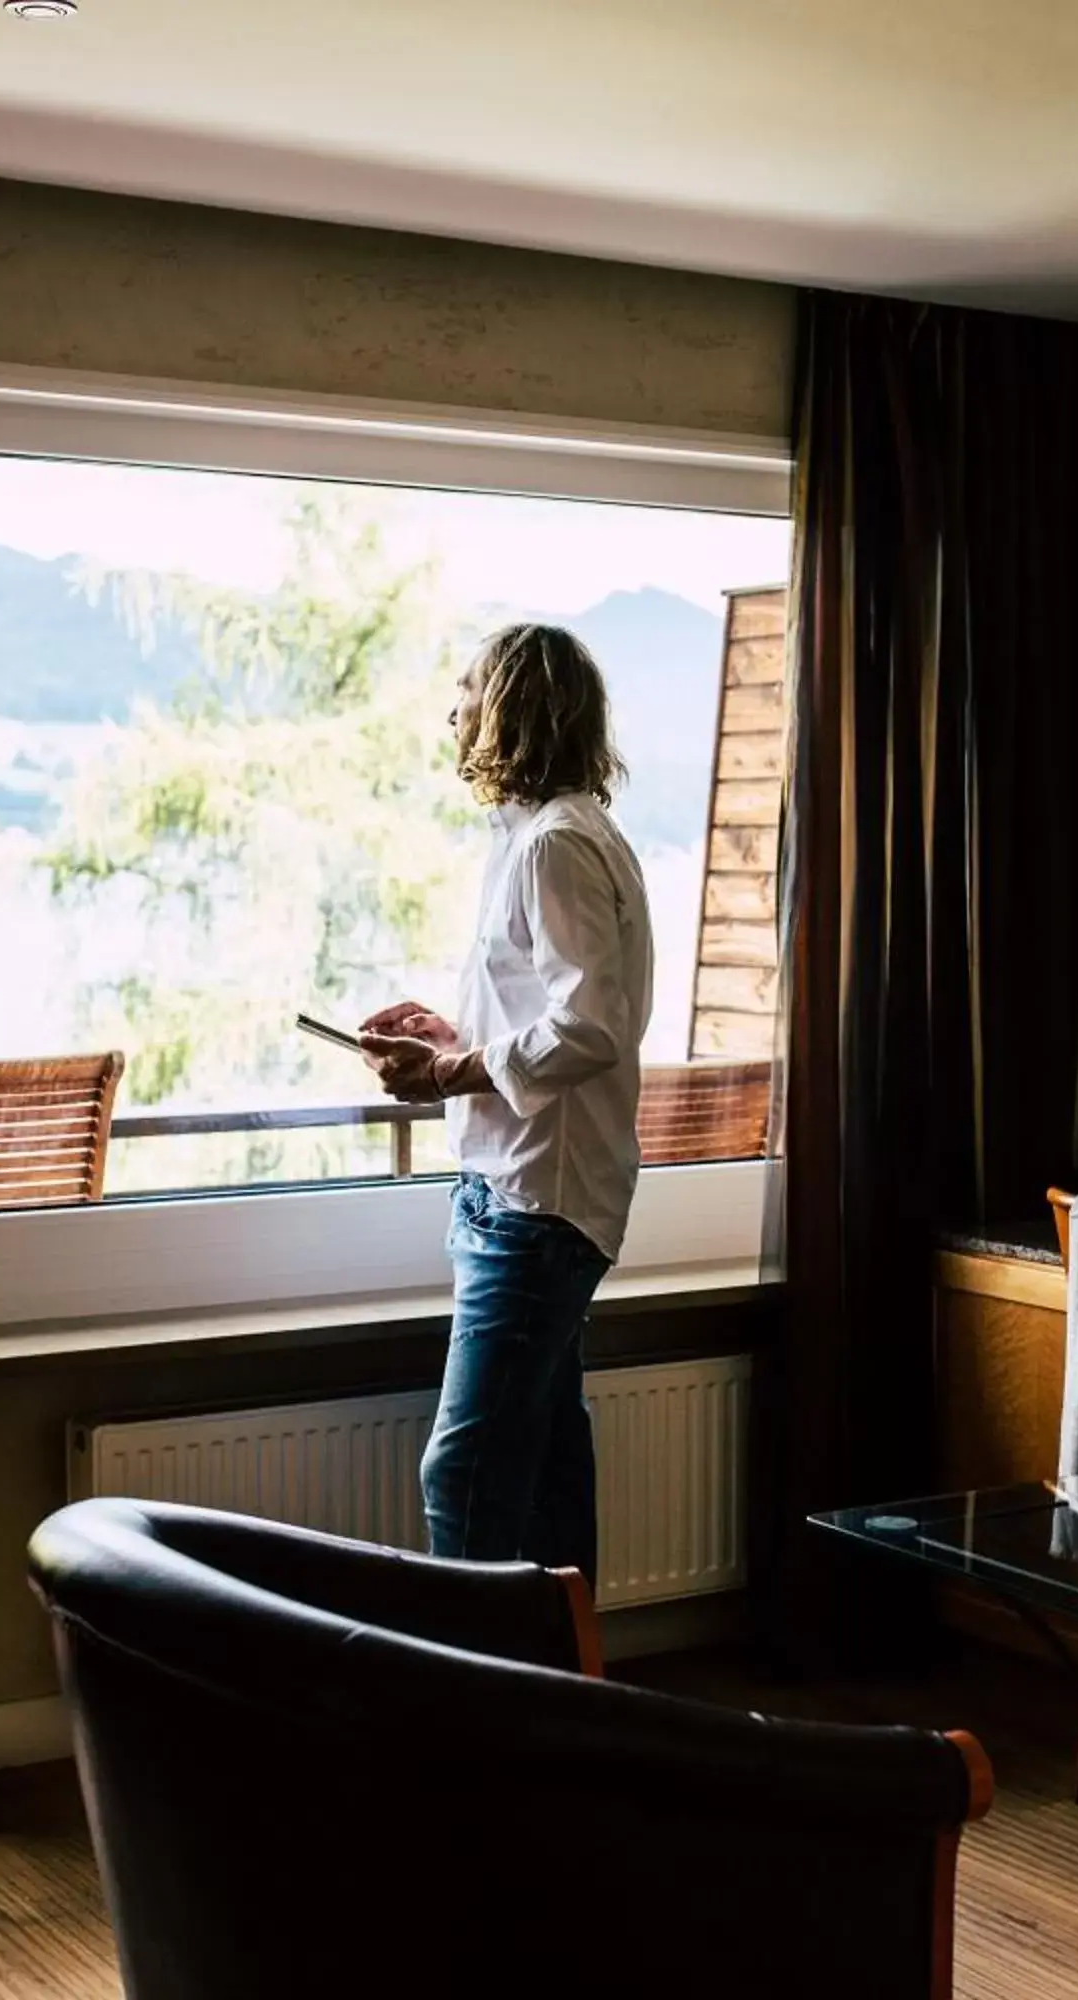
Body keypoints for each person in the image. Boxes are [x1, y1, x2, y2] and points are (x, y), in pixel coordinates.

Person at [358, 622, 652, 1581]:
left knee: (467, 1472)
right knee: (548, 1467)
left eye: (467, 688)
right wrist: (455, 1040)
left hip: (537, 1203)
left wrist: (446, 1075)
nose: (453, 710)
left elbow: (592, 1028)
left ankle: (468, 1709)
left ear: (513, 709)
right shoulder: (546, 837)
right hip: (517, 1191)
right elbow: (556, 1014)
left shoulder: (556, 845)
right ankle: (568, 1701)